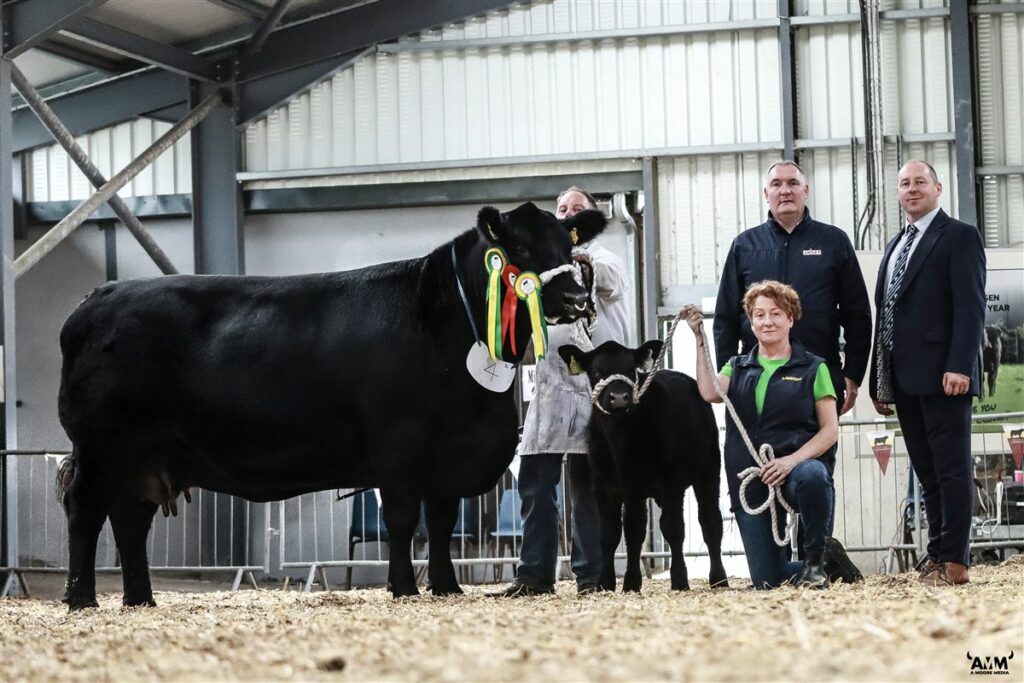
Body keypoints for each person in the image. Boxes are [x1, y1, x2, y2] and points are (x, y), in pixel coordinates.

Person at [490, 187, 630, 597]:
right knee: (534, 481)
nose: (568, 213)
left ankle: (591, 577)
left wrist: (581, 266)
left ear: (589, 220)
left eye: (577, 209)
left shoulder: (605, 259)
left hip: (594, 386)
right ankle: (534, 575)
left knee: (588, 485)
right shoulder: (541, 266)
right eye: (562, 209)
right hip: (549, 383)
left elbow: (610, 283)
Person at [684, 281, 860, 589]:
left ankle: (815, 561)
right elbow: (709, 390)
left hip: (795, 471)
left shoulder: (812, 368)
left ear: (791, 318)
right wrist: (699, 338)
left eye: (776, 313)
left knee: (814, 476)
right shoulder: (737, 366)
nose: (767, 321)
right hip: (752, 481)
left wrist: (790, 462)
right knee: (768, 580)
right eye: (759, 314)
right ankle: (828, 561)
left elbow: (830, 431)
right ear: (751, 322)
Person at [868, 160, 986, 587]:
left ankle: (955, 561)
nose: (911, 188)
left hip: (944, 377)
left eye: (920, 182)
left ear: (938, 188)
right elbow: (886, 315)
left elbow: (971, 307)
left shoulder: (958, 237)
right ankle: (935, 555)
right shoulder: (896, 244)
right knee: (927, 471)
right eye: (903, 183)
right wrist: (877, 380)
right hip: (902, 378)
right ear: (897, 193)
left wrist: (959, 365)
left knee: (951, 468)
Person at [714, 160, 872, 416]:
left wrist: (853, 374)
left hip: (819, 375)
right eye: (776, 184)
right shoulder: (744, 246)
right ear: (766, 194)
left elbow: (857, 314)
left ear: (805, 190)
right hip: (754, 378)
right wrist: (727, 374)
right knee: (753, 455)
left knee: (816, 455)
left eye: (793, 183)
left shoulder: (833, 241)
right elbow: (725, 318)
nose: (785, 190)